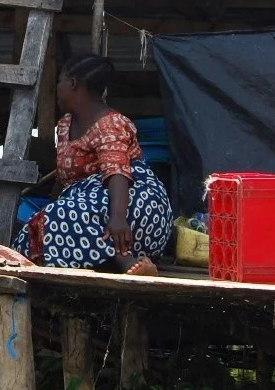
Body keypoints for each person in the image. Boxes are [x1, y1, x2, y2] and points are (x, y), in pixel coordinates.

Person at [25, 54, 172, 275]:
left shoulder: (110, 123)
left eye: (59, 81)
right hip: (91, 215)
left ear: (72, 83)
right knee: (42, 224)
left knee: (66, 213)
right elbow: (63, 182)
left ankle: (126, 261)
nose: (56, 88)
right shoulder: (64, 126)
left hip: (132, 210)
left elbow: (117, 174)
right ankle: (113, 263)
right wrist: (48, 212)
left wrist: (118, 218)